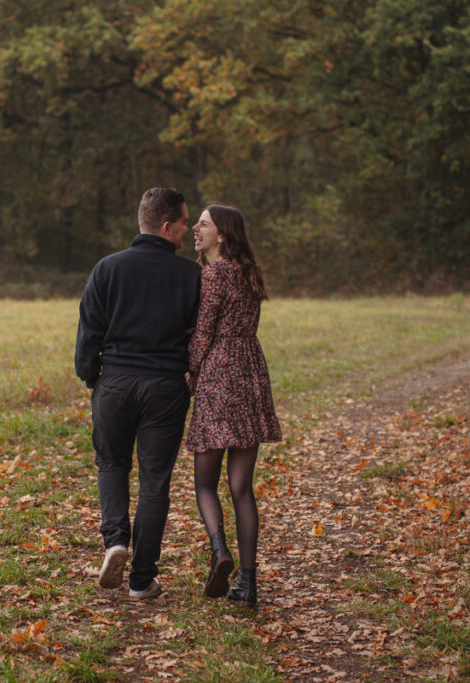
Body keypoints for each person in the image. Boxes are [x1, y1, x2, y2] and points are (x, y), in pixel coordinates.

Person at [74, 187, 201, 599]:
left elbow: (89, 330)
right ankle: (142, 579)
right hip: (164, 387)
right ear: (166, 226)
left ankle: (115, 541)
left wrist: (90, 377)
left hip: (115, 382)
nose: (187, 229)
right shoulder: (191, 275)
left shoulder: (107, 269)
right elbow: (199, 335)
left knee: (111, 465)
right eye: (183, 222)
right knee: (154, 481)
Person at [186, 204, 281, 608]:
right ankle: (249, 583)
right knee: (242, 488)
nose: (195, 228)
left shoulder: (213, 275)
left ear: (222, 235)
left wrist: (191, 372)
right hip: (251, 372)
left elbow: (203, 333)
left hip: (219, 375)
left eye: (203, 224)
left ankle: (219, 550)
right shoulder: (247, 273)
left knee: (205, 483)